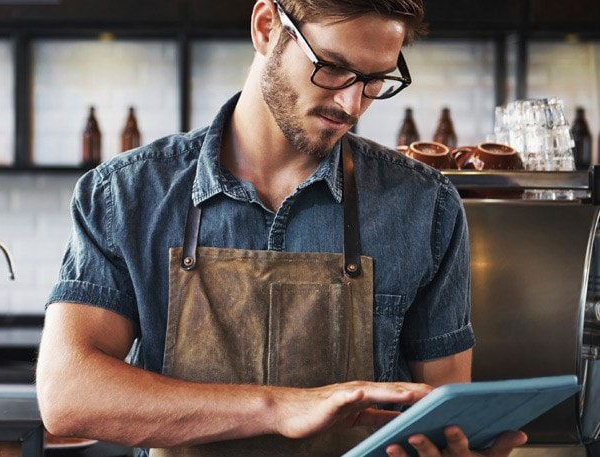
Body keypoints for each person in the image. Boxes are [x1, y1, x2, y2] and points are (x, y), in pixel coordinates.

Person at [36, 0, 528, 455]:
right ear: (267, 27)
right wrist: (280, 407)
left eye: (375, 80)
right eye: (333, 68)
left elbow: (446, 408)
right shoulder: (126, 194)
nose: (352, 105)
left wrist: (458, 445)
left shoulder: (425, 206)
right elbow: (68, 395)